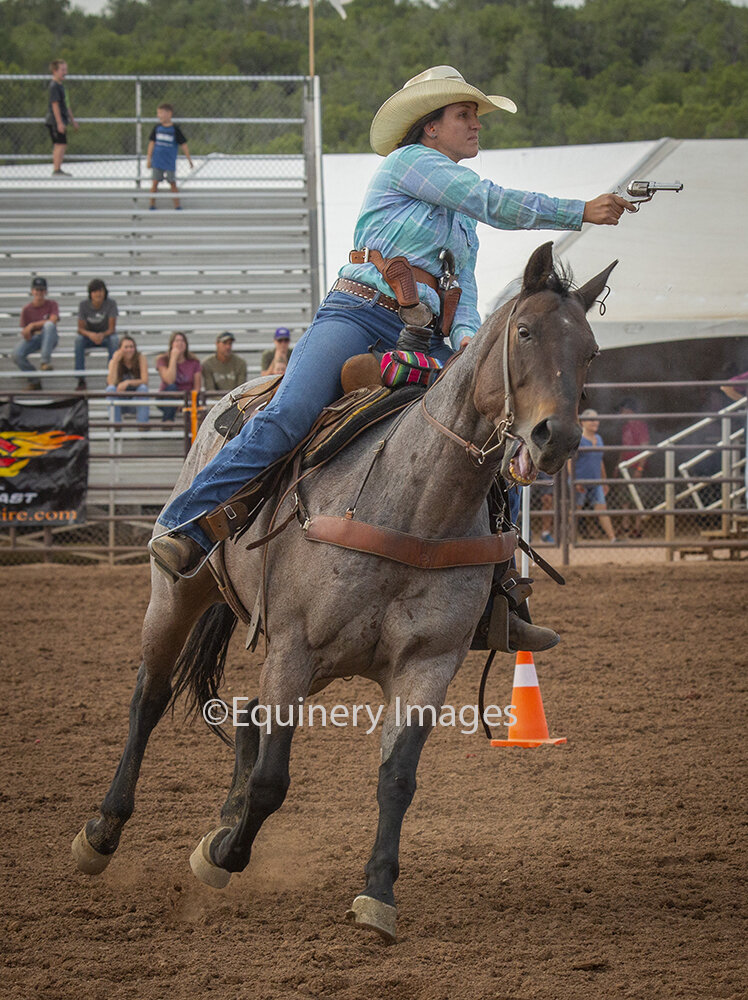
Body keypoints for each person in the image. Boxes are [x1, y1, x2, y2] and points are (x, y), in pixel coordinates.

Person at [151, 65, 634, 645]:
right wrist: (580, 211)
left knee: (483, 432)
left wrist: (468, 343)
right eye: (464, 115)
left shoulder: (460, 221)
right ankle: (187, 526)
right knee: (290, 412)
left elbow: (465, 293)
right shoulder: (409, 164)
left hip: (424, 335)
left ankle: (496, 597)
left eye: (475, 115)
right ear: (430, 127)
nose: (475, 125)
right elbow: (493, 200)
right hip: (358, 314)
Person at [570, 409, 617, 543]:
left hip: (596, 481)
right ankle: (568, 538)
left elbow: (599, 461)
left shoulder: (599, 439)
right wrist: (574, 480)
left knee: (601, 508)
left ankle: (612, 538)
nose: (595, 422)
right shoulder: (578, 439)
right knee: (576, 510)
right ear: (583, 422)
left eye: (596, 419)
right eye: (591, 420)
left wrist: (603, 481)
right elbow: (570, 462)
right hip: (580, 480)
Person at [13, 276, 59, 390]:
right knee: (16, 355)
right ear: (32, 291)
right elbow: (25, 331)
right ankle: (34, 380)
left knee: (49, 326)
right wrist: (27, 333)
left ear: (46, 292)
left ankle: (45, 362)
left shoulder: (52, 304)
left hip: (50, 338)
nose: (39, 292)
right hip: (35, 339)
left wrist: (33, 325)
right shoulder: (26, 309)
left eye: (42, 290)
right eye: (37, 289)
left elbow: (53, 321)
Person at [147, 104, 193, 210]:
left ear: (169, 114)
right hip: (157, 161)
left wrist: (189, 160)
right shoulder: (157, 128)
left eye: (161, 113)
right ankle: (152, 204)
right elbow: (151, 143)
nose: (159, 116)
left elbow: (183, 145)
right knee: (155, 182)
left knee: (172, 183)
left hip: (169, 162)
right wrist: (149, 159)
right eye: (158, 113)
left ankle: (177, 205)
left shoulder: (175, 129)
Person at [75, 279, 119, 390]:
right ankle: (80, 379)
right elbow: (80, 329)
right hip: (89, 337)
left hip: (105, 336)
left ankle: (112, 377)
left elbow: (112, 329)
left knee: (114, 340)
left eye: (100, 291)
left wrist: (101, 335)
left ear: (105, 292)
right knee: (78, 340)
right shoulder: (83, 305)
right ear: (90, 293)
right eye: (95, 291)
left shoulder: (111, 304)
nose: (98, 294)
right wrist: (91, 335)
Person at [618, 398, 650, 537]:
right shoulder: (625, 427)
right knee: (624, 498)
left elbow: (645, 448)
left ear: (628, 411)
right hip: (626, 467)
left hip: (635, 467)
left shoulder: (640, 425)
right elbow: (623, 448)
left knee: (637, 498)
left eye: (622, 411)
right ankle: (626, 526)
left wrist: (640, 468)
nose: (621, 414)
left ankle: (637, 527)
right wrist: (618, 465)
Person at [156, 331, 201, 421]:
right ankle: (168, 422)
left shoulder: (194, 362)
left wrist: (185, 401)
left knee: (195, 399)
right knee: (172, 387)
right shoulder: (163, 359)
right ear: (171, 344)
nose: (180, 343)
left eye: (182, 341)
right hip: (167, 397)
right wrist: (173, 358)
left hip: (187, 398)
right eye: (176, 341)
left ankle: (186, 427)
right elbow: (169, 380)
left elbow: (197, 388)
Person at [105, 336, 150, 426]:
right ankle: (116, 425)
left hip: (136, 400)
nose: (129, 350)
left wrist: (128, 382)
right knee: (110, 389)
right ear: (120, 349)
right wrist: (115, 361)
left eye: (131, 347)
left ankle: (143, 425)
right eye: (126, 347)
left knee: (143, 388)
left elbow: (145, 380)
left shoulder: (140, 358)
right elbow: (111, 382)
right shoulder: (114, 362)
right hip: (120, 401)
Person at [45, 59, 78, 177]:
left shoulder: (61, 86)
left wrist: (72, 120)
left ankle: (58, 168)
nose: (65, 72)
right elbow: (55, 104)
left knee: (62, 143)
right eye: (62, 70)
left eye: (66, 70)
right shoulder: (54, 86)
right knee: (59, 144)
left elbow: (66, 105)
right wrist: (59, 123)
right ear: (55, 71)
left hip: (62, 120)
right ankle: (56, 170)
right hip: (55, 121)